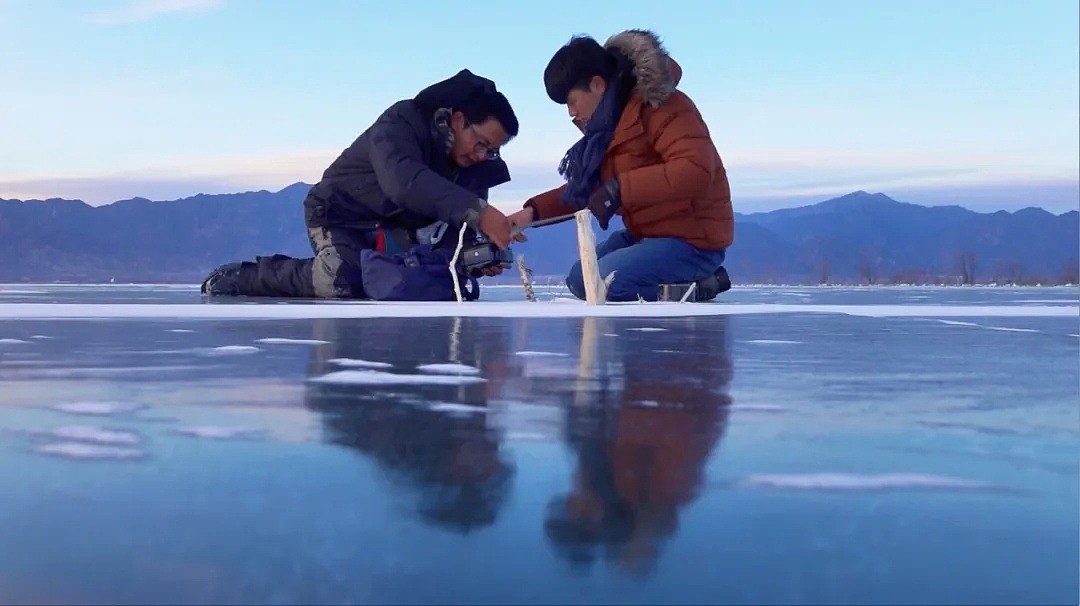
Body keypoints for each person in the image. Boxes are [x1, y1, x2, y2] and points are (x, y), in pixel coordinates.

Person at [200, 69, 521, 300]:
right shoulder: (402, 123)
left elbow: (456, 231)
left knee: (442, 284)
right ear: (457, 120)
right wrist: (479, 212)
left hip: (399, 234)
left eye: (493, 151)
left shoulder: (474, 167)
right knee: (341, 281)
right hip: (341, 216)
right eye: (481, 144)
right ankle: (249, 277)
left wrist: (472, 258)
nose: (484, 156)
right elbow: (404, 183)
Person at [507, 30, 734, 302]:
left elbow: (695, 170)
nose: (571, 113)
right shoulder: (609, 128)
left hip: (693, 241)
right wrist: (531, 214)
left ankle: (702, 286)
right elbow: (588, 188)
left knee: (604, 284)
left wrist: (620, 189)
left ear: (597, 85)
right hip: (646, 236)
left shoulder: (665, 107)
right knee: (581, 280)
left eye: (571, 101)